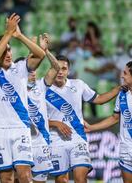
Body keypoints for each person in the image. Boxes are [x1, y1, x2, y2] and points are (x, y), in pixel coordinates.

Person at [0, 13, 45, 183]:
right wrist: (8, 33)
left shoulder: (21, 67)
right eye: (5, 50)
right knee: (6, 179)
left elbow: (40, 55)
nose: (9, 53)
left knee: (25, 175)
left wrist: (18, 35)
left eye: (10, 49)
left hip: (20, 128)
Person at [46, 55, 121, 183]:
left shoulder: (78, 85)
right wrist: (55, 123)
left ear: (68, 71)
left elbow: (99, 99)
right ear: (51, 69)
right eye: (56, 68)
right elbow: (35, 118)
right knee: (61, 180)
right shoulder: (43, 89)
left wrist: (118, 88)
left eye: (64, 68)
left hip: (78, 138)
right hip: (55, 140)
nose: (60, 72)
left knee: (81, 178)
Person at [84, 61, 132, 183]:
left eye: (125, 73)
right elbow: (115, 118)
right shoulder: (122, 94)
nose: (122, 76)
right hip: (126, 150)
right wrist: (92, 127)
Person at [26, 34, 60, 182]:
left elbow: (56, 68)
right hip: (22, 142)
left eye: (33, 71)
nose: (32, 73)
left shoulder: (41, 85)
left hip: (41, 142)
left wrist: (44, 51)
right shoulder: (14, 89)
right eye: (29, 71)